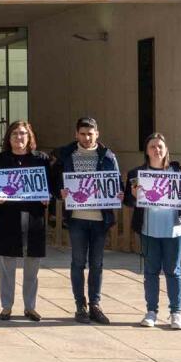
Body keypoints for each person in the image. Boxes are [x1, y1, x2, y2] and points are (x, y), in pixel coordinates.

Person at [125, 133, 181, 330]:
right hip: (149, 229)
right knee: (151, 271)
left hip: (175, 229)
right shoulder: (137, 173)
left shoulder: (178, 170)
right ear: (146, 150)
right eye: (152, 146)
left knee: (173, 270)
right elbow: (128, 200)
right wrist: (134, 196)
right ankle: (151, 311)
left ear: (166, 149)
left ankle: (176, 312)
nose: (156, 150)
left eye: (160, 146)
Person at [54, 116, 121, 325]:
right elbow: (55, 182)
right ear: (76, 135)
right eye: (82, 134)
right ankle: (80, 305)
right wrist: (60, 192)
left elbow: (117, 184)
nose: (86, 137)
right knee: (77, 262)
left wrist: (118, 194)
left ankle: (95, 304)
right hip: (77, 218)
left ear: (97, 134)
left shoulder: (108, 157)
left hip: (100, 218)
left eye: (90, 133)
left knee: (97, 263)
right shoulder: (66, 156)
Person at [0, 120, 53, 321]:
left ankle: (30, 306)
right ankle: (6, 306)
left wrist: (47, 196)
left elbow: (50, 185)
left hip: (33, 216)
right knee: (7, 263)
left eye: (23, 133)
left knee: (32, 263)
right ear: (9, 137)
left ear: (29, 136)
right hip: (8, 215)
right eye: (15, 133)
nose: (19, 137)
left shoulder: (41, 159)